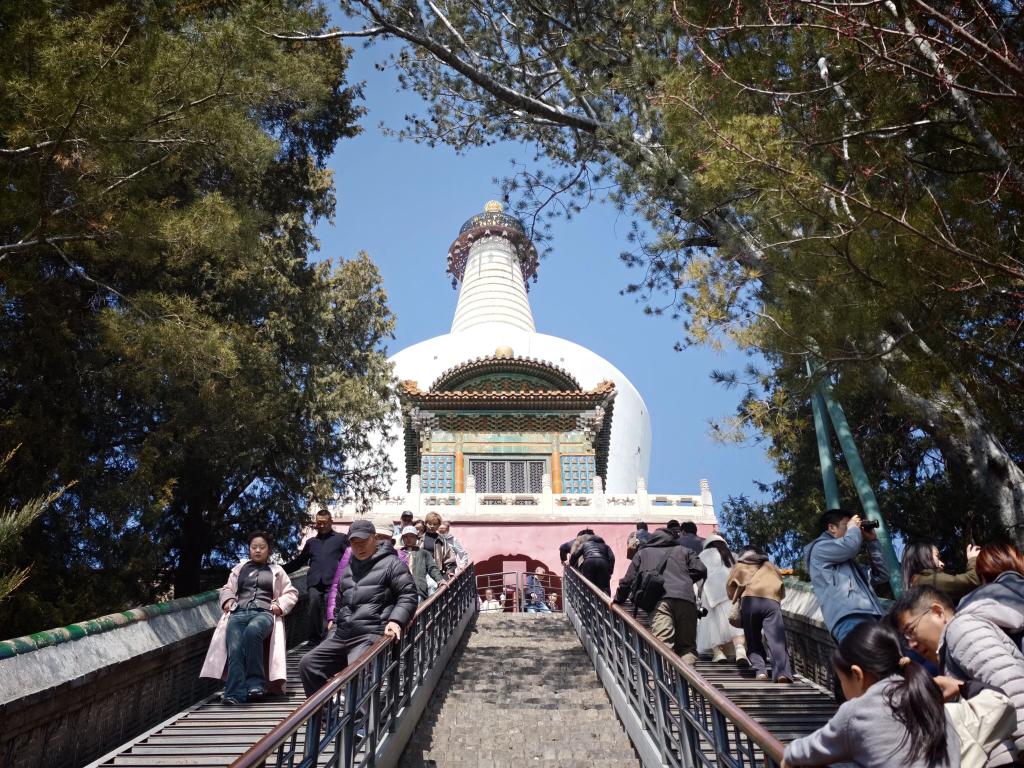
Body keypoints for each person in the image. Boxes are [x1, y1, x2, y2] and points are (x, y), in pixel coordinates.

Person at [781, 621, 958, 767]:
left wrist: (787, 756)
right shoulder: (929, 699)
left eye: (842, 681)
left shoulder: (858, 712)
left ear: (857, 674)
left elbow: (804, 751)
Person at [893, 584, 1024, 766]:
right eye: (905, 639)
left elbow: (1012, 685)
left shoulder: (961, 630)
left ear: (937, 612)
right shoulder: (949, 650)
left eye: (910, 631)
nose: (911, 645)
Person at [298, 519, 418, 697]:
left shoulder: (392, 564)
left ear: (374, 538)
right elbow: (339, 605)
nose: (359, 547)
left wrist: (395, 620)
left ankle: (362, 715)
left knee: (358, 673)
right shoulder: (348, 569)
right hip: (342, 635)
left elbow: (408, 595)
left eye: (363, 541)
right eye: (354, 543)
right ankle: (325, 713)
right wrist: (334, 629)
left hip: (370, 634)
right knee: (308, 664)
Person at [200, 532, 299, 704]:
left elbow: (291, 593)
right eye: (254, 547)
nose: (258, 550)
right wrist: (229, 601)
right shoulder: (240, 568)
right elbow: (227, 589)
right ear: (249, 549)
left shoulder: (277, 570)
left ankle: (256, 684)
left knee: (253, 631)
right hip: (238, 613)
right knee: (235, 647)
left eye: (262, 547)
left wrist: (279, 605)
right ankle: (234, 693)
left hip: (264, 614)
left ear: (269, 550)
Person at [614, 527, 707, 664]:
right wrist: (685, 580)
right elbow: (701, 569)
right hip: (686, 600)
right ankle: (687, 675)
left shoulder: (642, 553)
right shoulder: (684, 551)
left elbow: (627, 581)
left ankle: (667, 676)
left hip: (659, 601)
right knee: (687, 648)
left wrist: (618, 600)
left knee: (664, 646)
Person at [804, 508, 890, 643]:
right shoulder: (819, 548)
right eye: (847, 525)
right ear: (832, 527)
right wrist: (853, 527)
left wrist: (872, 542)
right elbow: (850, 546)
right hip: (849, 619)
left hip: (873, 617)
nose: (853, 528)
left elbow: (881, 575)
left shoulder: (849, 565)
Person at [325, 515, 408, 626]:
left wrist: (398, 619)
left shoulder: (399, 556)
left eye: (385, 537)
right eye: (378, 536)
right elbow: (337, 584)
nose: (380, 541)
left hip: (385, 621)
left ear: (391, 538)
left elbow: (405, 592)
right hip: (351, 619)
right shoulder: (351, 552)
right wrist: (331, 616)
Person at [282, 509, 349, 644]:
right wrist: (280, 569)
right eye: (319, 523)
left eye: (324, 523)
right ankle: (314, 638)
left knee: (330, 609)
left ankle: (328, 638)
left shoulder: (340, 539)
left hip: (333, 582)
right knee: (313, 605)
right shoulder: (311, 542)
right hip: (314, 582)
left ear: (331, 522)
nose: (321, 525)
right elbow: (299, 562)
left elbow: (349, 557)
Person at [727, 546, 791, 682]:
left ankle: (760, 671)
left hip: (749, 601)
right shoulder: (770, 566)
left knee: (753, 639)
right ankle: (782, 673)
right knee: (776, 639)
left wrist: (736, 596)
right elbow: (781, 588)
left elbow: (730, 588)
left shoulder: (740, 565)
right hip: (771, 602)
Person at [697, 536, 746, 665]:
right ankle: (740, 650)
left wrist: (699, 590)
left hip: (710, 592)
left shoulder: (703, 555)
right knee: (733, 621)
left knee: (712, 623)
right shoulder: (731, 555)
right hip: (729, 590)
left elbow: (698, 576)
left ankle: (718, 653)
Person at [901, 540, 980, 605]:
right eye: (937, 556)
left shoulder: (916, 583)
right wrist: (973, 559)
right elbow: (973, 580)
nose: (942, 564)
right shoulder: (928, 581)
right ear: (923, 557)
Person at [400, 525, 445, 602]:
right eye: (406, 536)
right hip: (401, 592)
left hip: (418, 591)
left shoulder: (424, 553)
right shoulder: (397, 553)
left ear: (416, 538)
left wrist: (440, 580)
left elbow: (432, 568)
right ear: (402, 538)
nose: (408, 539)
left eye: (412, 536)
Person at [421, 512, 456, 579]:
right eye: (429, 523)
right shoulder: (419, 539)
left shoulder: (441, 541)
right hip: (421, 572)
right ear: (425, 523)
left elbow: (449, 557)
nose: (432, 526)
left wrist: (450, 571)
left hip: (436, 573)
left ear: (439, 525)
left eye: (435, 524)